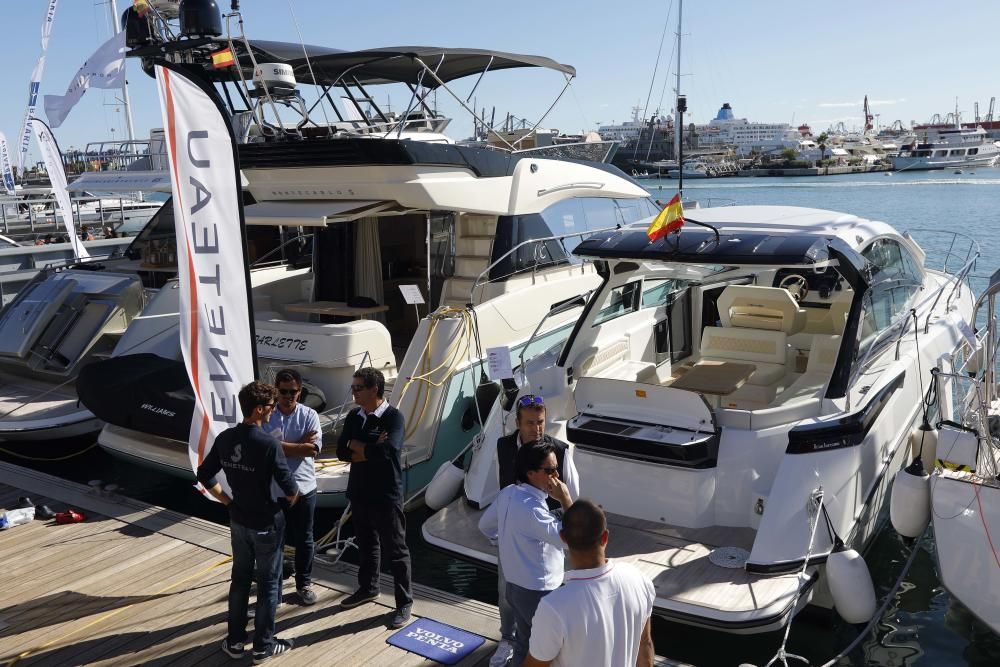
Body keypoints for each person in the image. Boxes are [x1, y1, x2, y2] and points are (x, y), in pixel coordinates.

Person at [196, 381, 299, 663]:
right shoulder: (268, 444)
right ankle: (264, 646)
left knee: (240, 580)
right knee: (268, 585)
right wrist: (292, 498)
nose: (274, 410)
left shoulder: (226, 438)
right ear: (258, 409)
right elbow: (290, 488)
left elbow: (204, 474)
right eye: (270, 407)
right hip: (266, 522)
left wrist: (227, 501)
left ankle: (235, 642)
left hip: (238, 520)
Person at [491, 395, 579, 667]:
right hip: (515, 526)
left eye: (540, 422)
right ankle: (507, 639)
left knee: (550, 587)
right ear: (517, 423)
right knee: (506, 589)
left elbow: (572, 494)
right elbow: (502, 485)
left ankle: (533, 648)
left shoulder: (560, 451)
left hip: (550, 524)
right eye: (529, 423)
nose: (536, 429)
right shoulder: (504, 446)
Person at [524, 500, 655, 667]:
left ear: (563, 537)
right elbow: (645, 645)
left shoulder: (553, 607)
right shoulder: (639, 579)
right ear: (605, 536)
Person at [479, 442, 573, 667]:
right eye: (550, 470)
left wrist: (508, 542)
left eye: (556, 469)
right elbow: (572, 539)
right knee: (550, 651)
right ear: (531, 473)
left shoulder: (508, 493)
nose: (557, 475)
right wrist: (566, 499)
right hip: (539, 593)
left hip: (514, 587)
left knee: (524, 643)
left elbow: (485, 526)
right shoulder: (534, 511)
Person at [335, 367, 413, 628]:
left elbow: (389, 451)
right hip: (359, 492)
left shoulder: (394, 418)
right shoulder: (354, 417)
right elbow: (341, 451)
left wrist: (359, 447)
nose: (353, 392)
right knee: (367, 545)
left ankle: (404, 604)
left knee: (396, 550)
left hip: (386, 495)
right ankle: (368, 588)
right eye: (354, 387)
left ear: (374, 390)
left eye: (358, 388)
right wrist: (370, 448)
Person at [267, 368, 322, 606]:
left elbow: (313, 449)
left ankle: (304, 583)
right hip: (275, 490)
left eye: (293, 392)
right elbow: (263, 449)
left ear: (300, 392)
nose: (288, 396)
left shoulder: (310, 415)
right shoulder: (266, 415)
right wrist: (298, 445)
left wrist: (279, 445)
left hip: (304, 488)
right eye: (283, 391)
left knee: (305, 538)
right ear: (276, 391)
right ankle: (275, 588)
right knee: (275, 540)